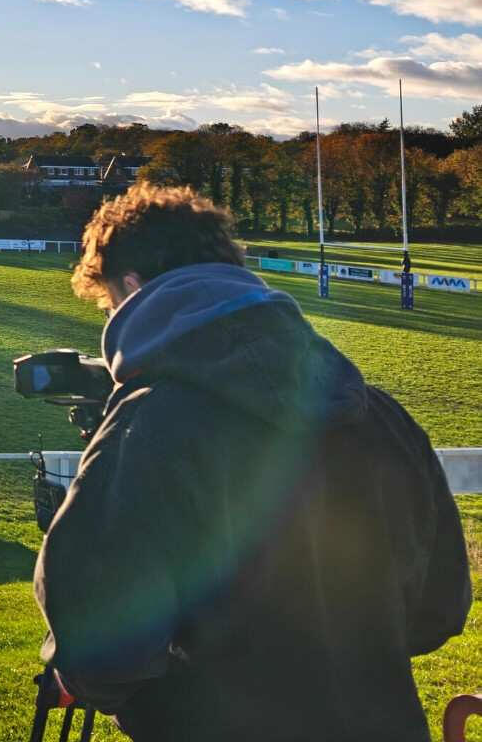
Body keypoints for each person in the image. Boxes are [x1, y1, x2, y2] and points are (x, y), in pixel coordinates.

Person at [34, 184, 471, 742]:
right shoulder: (382, 415)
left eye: (109, 305)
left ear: (133, 287)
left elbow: (101, 648)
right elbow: (440, 610)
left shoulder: (151, 421)